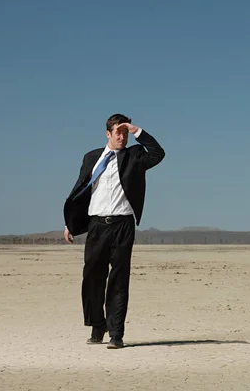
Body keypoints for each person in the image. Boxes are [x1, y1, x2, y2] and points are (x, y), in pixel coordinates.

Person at [63, 113, 165, 349]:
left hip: (122, 226)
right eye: (118, 133)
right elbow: (81, 190)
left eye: (125, 133)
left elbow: (159, 154)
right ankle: (97, 327)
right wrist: (71, 223)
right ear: (107, 134)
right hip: (97, 226)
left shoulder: (135, 156)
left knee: (119, 281)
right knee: (92, 278)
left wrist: (138, 130)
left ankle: (116, 334)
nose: (122, 137)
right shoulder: (92, 158)